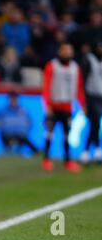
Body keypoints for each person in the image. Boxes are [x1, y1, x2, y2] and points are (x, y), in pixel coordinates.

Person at [42, 43, 86, 173]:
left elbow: (78, 88)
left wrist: (82, 104)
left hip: (67, 106)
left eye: (69, 51)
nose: (67, 53)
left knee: (67, 134)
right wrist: (47, 105)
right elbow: (46, 86)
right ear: (59, 52)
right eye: (64, 50)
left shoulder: (75, 67)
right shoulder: (52, 65)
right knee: (50, 133)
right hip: (54, 104)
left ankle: (67, 161)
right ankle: (46, 159)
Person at [80, 42, 102, 164]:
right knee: (95, 122)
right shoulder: (89, 59)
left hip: (100, 96)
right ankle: (93, 151)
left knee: (94, 125)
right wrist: (84, 100)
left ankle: (88, 152)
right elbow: (83, 79)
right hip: (91, 96)